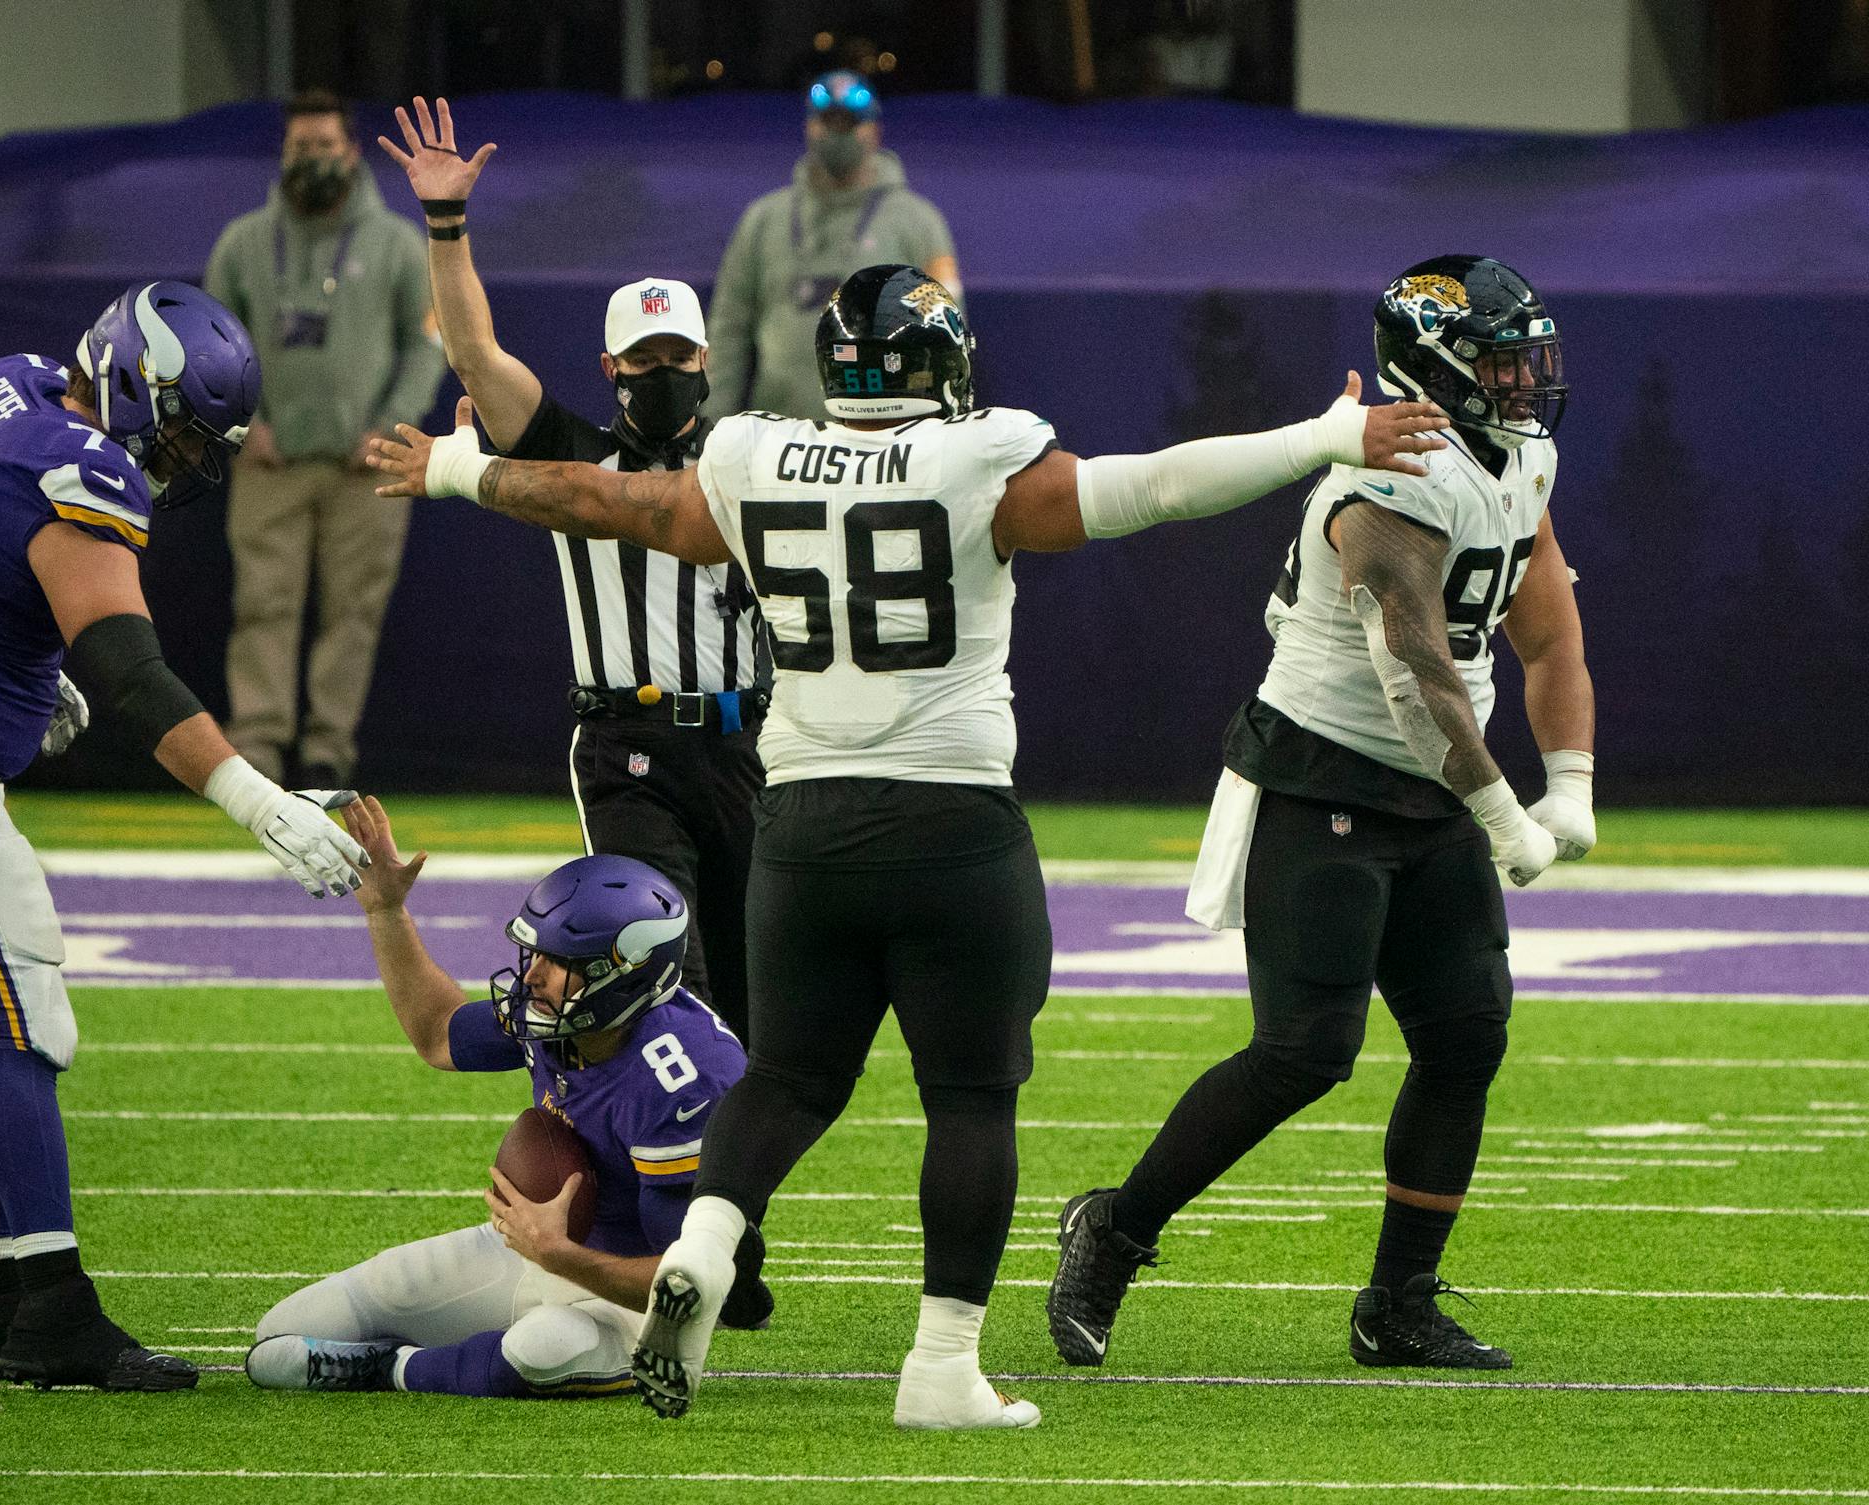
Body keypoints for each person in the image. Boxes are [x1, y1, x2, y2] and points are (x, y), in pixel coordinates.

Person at [370, 262, 1450, 1428]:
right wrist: (1326, 433)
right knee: (972, 1100)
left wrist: (455, 466)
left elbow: (606, 503)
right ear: (944, 365)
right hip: (949, 825)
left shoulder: (754, 456)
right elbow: (1157, 488)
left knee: (787, 1076)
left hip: (802, 824)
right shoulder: (978, 456)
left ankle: (713, 1244)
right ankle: (940, 1369)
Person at [0, 282, 371, 1391]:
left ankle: (3, 1308)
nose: (190, 458)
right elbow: (131, 674)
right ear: (133, 384)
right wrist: (263, 802)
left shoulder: (4, 385)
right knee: (22, 1018)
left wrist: (15, 654)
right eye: (188, 431)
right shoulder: (90, 466)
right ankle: (54, 1310)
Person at [1045, 255, 1596, 1374]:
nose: (1527, 378)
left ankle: (1397, 1301)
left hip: (1438, 784)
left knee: (1466, 1036)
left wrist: (1574, 774)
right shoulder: (1382, 483)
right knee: (1306, 1048)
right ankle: (1116, 1225)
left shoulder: (1520, 455)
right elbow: (1415, 671)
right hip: (1324, 775)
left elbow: (1547, 625)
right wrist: (1505, 816)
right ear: (1436, 367)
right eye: (1500, 359)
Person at [373, 96, 766, 1040]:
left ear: (707, 358)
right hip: (630, 749)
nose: (662, 370)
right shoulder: (572, 461)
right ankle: (673, 1172)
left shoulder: (753, 456)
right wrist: (446, 222)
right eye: (643, 358)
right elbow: (473, 354)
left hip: (751, 749)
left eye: (677, 354)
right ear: (609, 367)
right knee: (670, 970)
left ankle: (722, 1178)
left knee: (757, 1001)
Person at [246, 797, 771, 1398]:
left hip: (627, 1294)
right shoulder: (558, 1012)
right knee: (287, 1329)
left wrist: (560, 1251)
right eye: (536, 952)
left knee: (541, 1349)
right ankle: (442, 1345)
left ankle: (390, 1369)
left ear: (623, 973)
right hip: (530, 1245)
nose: (532, 977)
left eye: (561, 962)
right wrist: (386, 912)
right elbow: (439, 1035)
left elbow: (693, 1281)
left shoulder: (683, 1079)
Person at [204, 88, 449, 788]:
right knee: (262, 607)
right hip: (269, 461)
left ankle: (326, 750)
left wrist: (390, 427)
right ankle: (256, 746)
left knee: (353, 613)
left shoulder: (399, 244)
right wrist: (244, 426)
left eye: (325, 146)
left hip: (366, 466)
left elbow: (426, 344)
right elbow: (207, 346)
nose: (312, 159)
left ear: (352, 150)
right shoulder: (245, 242)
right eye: (299, 147)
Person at [702, 71, 959, 423]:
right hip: (779, 435)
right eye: (828, 121)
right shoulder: (763, 220)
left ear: (875, 130)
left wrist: (938, 428)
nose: (839, 132)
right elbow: (727, 331)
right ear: (809, 126)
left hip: (882, 439)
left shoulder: (918, 223)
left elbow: (946, 336)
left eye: (851, 122)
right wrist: (710, 425)